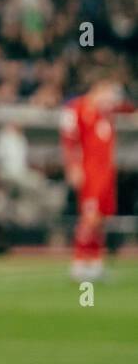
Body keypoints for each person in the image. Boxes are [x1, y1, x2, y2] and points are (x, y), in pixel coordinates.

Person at [60, 78, 134, 281]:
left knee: (101, 218)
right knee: (89, 218)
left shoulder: (106, 112)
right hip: (89, 171)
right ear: (97, 90)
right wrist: (73, 167)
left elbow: (127, 109)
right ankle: (79, 262)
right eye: (109, 93)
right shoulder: (77, 108)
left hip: (106, 173)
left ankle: (94, 262)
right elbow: (68, 140)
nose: (111, 99)